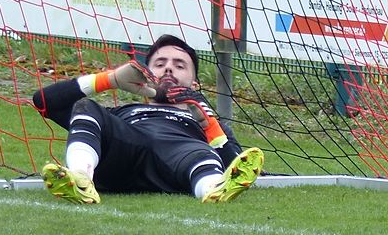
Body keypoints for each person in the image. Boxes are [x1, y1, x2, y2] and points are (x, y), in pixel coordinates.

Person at [31, 34, 263, 204]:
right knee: (85, 107)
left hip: (181, 156)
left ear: (194, 84)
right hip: (123, 151)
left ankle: (212, 189)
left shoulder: (211, 125)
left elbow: (236, 167)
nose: (168, 69)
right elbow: (44, 101)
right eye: (160, 64)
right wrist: (110, 79)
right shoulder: (120, 114)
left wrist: (208, 123)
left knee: (202, 153)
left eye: (179, 65)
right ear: (146, 77)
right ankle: (81, 180)